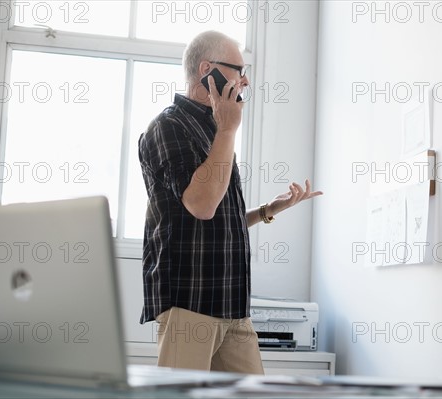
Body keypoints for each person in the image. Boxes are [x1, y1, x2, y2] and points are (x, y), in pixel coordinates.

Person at [138, 30, 322, 374]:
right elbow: (201, 205)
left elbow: (218, 217)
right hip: (189, 302)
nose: (245, 79)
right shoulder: (167, 127)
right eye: (238, 68)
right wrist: (228, 132)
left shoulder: (216, 128)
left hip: (233, 305)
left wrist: (269, 210)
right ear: (207, 68)